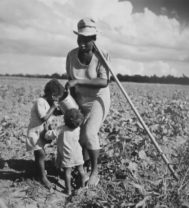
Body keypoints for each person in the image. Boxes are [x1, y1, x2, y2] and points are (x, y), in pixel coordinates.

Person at [65, 17, 111, 187]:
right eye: (80, 39)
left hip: (98, 99)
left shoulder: (102, 56)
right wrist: (66, 100)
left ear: (94, 39)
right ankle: (81, 166)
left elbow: (103, 81)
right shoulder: (71, 55)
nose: (82, 43)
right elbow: (70, 79)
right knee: (77, 133)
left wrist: (78, 82)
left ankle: (95, 171)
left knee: (89, 133)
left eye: (86, 40)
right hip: (79, 99)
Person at [26, 79, 65, 189]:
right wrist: (53, 107)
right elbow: (44, 117)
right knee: (41, 154)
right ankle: (42, 177)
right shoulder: (40, 101)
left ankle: (39, 172)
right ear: (53, 95)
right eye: (58, 97)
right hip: (35, 133)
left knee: (40, 154)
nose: (58, 100)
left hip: (41, 133)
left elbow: (55, 113)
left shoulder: (48, 102)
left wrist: (63, 110)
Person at [56, 108, 88, 195]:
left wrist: (46, 132)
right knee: (81, 170)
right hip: (78, 154)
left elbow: (51, 134)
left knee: (67, 173)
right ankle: (83, 186)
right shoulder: (77, 129)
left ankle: (68, 190)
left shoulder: (61, 129)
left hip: (67, 155)